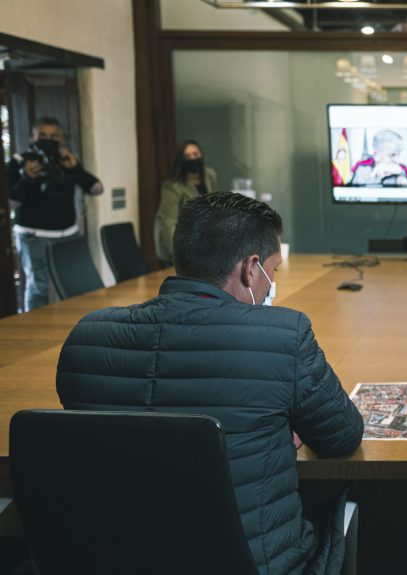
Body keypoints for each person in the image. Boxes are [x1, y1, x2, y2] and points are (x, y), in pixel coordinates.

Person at [57, 193, 364, 575]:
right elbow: (343, 437)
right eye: (274, 271)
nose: (273, 284)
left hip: (111, 560)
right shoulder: (283, 335)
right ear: (252, 269)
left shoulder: (87, 336)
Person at [5, 117, 103, 311]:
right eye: (42, 135)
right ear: (32, 137)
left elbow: (96, 188)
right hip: (34, 236)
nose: (48, 139)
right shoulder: (19, 162)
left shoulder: (66, 162)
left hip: (68, 234)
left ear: (61, 139)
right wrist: (27, 178)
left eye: (54, 136)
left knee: (76, 284)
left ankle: (77, 327)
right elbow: (9, 203)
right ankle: (34, 333)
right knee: (38, 287)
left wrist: (75, 168)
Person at [154, 140, 217, 264]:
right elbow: (169, 222)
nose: (193, 158)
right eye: (187, 156)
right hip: (177, 240)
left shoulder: (210, 175)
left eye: (196, 154)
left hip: (201, 239)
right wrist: (177, 254)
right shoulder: (173, 186)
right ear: (181, 160)